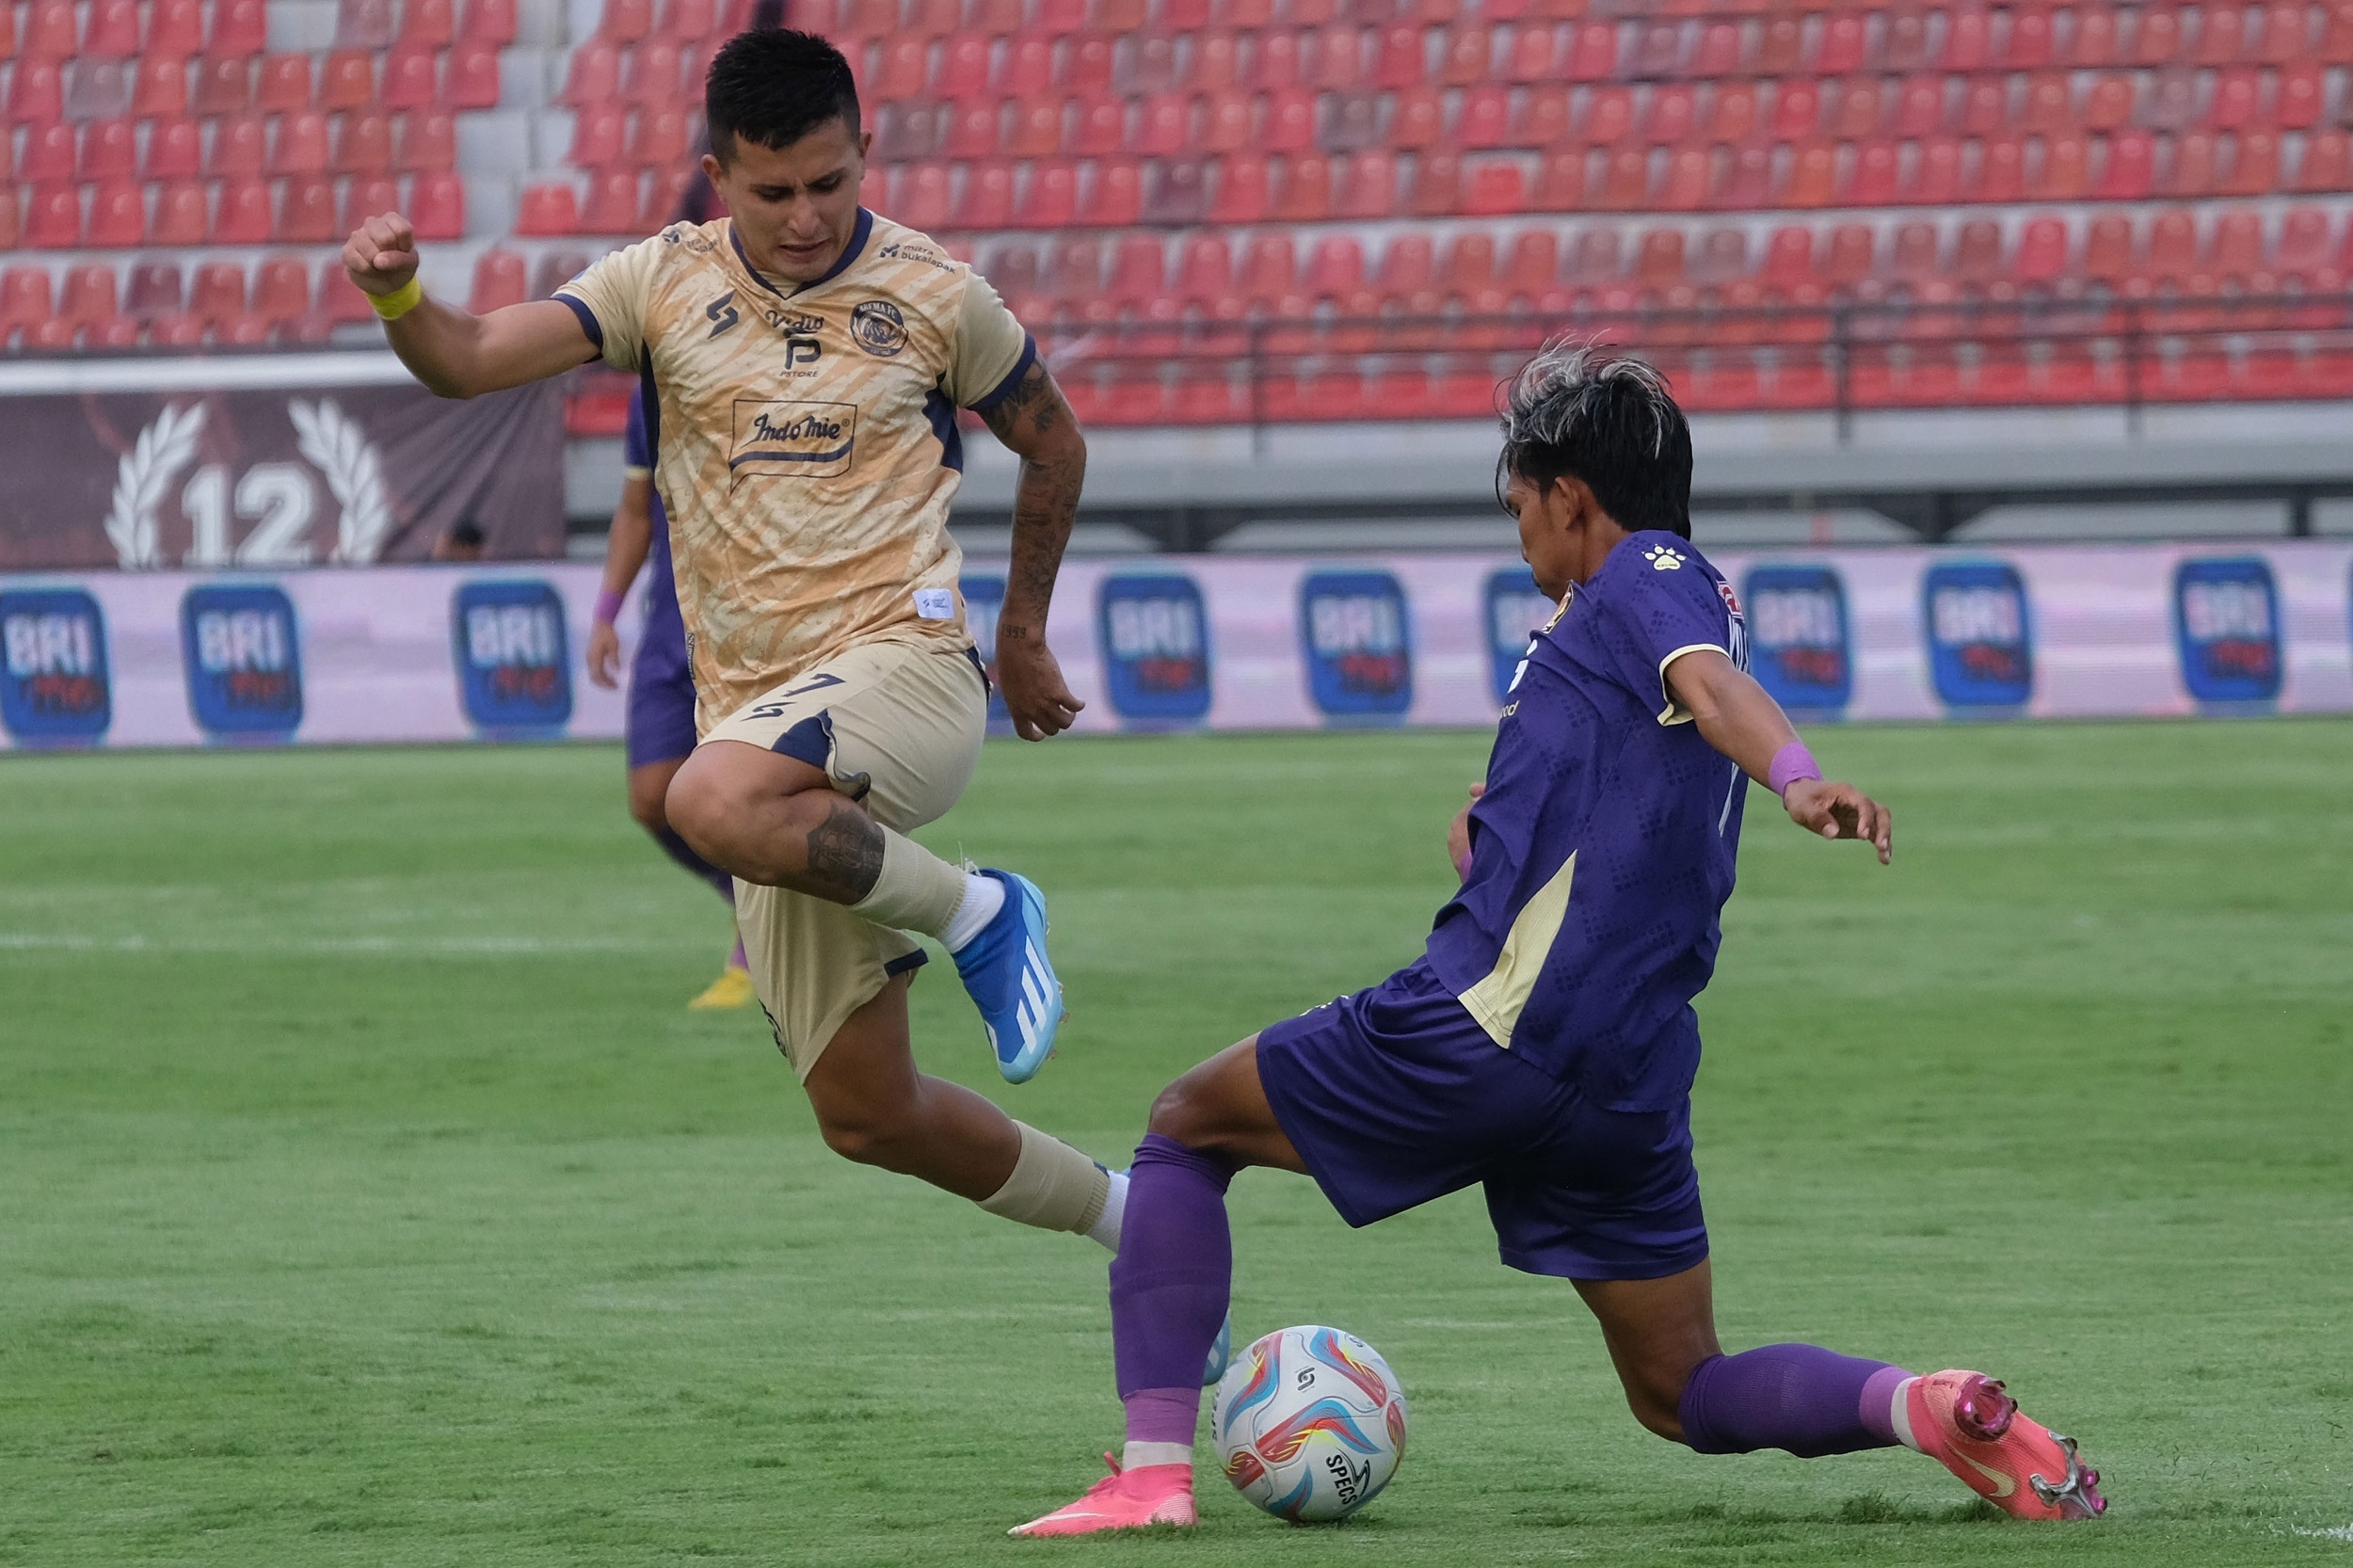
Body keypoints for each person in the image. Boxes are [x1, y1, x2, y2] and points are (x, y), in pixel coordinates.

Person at [1011, 348, 2105, 1536]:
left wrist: (1798, 777)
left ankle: (1150, 1474)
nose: (1518, 532)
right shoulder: (1601, 628)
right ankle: (1927, 1406)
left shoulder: (1651, 571)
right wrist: (1492, 834)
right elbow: (1588, 802)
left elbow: (1713, 686)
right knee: (1681, 1389)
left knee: (1183, 1130)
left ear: (1569, 495)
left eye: (1520, 504)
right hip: (1620, 1078)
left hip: (1486, 1028)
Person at [342, 27, 1137, 1261]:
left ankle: (981, 911)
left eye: (831, 182)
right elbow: (468, 358)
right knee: (871, 1114)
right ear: (721, 175)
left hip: (909, 666)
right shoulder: (659, 282)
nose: (808, 215)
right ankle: (1142, 1221)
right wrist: (399, 292)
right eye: (775, 192)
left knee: (698, 796)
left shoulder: (934, 294)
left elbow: (1057, 440)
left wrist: (1021, 632)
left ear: (864, 152)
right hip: (765, 739)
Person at [585, 385, 753, 1010]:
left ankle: (760, 952)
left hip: (755, 631)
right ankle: (750, 901)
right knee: (652, 799)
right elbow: (635, 510)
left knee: (747, 795)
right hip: (668, 630)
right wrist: (607, 612)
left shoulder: (769, 375)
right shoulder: (651, 393)